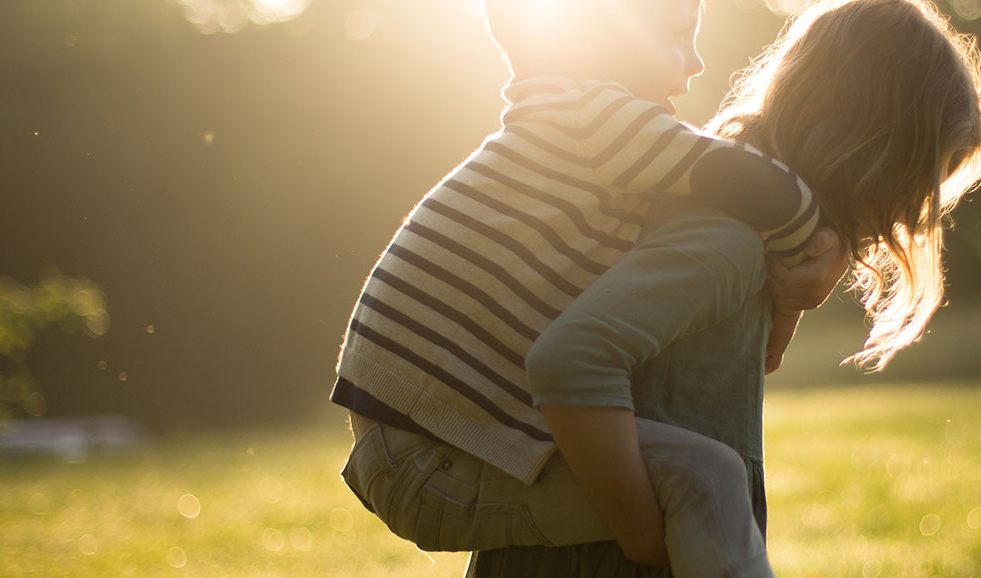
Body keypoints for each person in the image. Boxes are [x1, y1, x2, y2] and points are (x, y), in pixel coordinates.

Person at [468, 0, 981, 575]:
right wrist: (645, 536)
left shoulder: (744, 226)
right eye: (922, 177)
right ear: (874, 148)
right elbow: (573, 361)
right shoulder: (728, 243)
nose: (913, 215)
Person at [333, 0, 841, 575]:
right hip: (426, 456)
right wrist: (813, 252)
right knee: (706, 479)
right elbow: (753, 184)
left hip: (424, 441)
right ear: (597, 42)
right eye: (678, 35)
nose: (696, 63)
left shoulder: (578, 129)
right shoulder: (592, 120)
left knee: (703, 476)